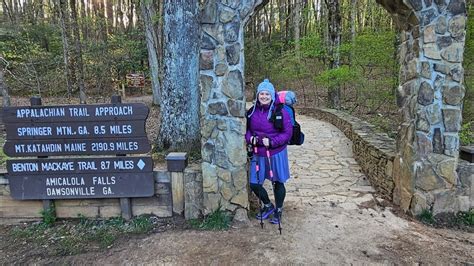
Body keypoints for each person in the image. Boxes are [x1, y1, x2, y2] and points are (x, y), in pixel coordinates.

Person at [245, 79, 293, 224]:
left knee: (277, 182)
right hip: (258, 152)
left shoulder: (280, 112)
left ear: (272, 95)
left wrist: (272, 142)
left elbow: (287, 133)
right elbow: (247, 130)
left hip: (276, 153)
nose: (264, 96)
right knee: (254, 183)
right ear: (258, 94)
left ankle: (278, 209)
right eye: (261, 93)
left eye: (267, 94)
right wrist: (250, 139)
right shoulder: (252, 111)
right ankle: (268, 205)